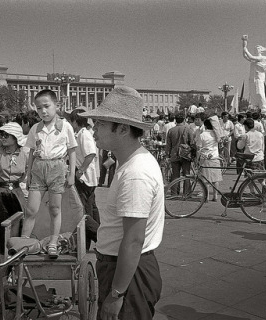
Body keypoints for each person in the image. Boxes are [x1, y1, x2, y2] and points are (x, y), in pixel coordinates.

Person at [80, 86, 164, 320]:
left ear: (123, 129)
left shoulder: (136, 172)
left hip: (128, 274)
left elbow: (134, 239)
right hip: (123, 269)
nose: (94, 129)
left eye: (101, 124)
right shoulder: (129, 163)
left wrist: (116, 294)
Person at [21, 89, 77, 259]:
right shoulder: (35, 128)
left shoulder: (65, 126)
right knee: (31, 209)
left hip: (57, 168)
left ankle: (53, 242)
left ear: (56, 105)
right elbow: (31, 152)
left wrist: (72, 173)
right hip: (38, 168)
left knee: (54, 208)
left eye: (46, 106)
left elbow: (72, 150)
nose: (43, 111)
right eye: (39, 108)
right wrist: (28, 173)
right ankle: (24, 243)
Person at [0, 122, 27, 254]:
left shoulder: (24, 154)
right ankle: (1, 256)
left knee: (19, 224)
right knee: (0, 225)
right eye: (1, 134)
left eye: (6, 135)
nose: (2, 137)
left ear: (15, 137)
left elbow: (25, 174)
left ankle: (16, 255)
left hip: (17, 192)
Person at [69, 109, 100, 250]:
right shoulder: (81, 134)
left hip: (84, 177)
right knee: (91, 209)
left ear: (76, 121)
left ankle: (97, 237)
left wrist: (80, 171)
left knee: (83, 213)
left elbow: (90, 154)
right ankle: (98, 238)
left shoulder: (84, 135)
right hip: (86, 177)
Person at [197, 119, 223, 201]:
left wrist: (197, 159)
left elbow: (199, 147)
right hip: (215, 157)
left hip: (205, 158)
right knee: (215, 179)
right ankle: (215, 196)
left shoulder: (202, 135)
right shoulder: (216, 135)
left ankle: (206, 196)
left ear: (205, 125)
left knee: (205, 179)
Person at [165, 114, 195, 184]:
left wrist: (167, 156)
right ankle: (186, 193)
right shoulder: (188, 130)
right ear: (184, 120)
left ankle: (174, 194)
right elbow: (192, 143)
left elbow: (168, 145)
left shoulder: (171, 131)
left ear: (175, 120)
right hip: (186, 155)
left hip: (174, 154)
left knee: (175, 176)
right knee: (187, 175)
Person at [242, 35, 266, 110]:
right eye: (255, 48)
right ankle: (255, 108)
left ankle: (263, 108)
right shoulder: (254, 60)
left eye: (258, 48)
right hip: (252, 79)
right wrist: (244, 43)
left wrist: (246, 49)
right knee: (253, 95)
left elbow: (250, 57)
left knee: (260, 93)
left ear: (261, 50)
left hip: (259, 79)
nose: (256, 49)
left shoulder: (263, 58)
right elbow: (245, 56)